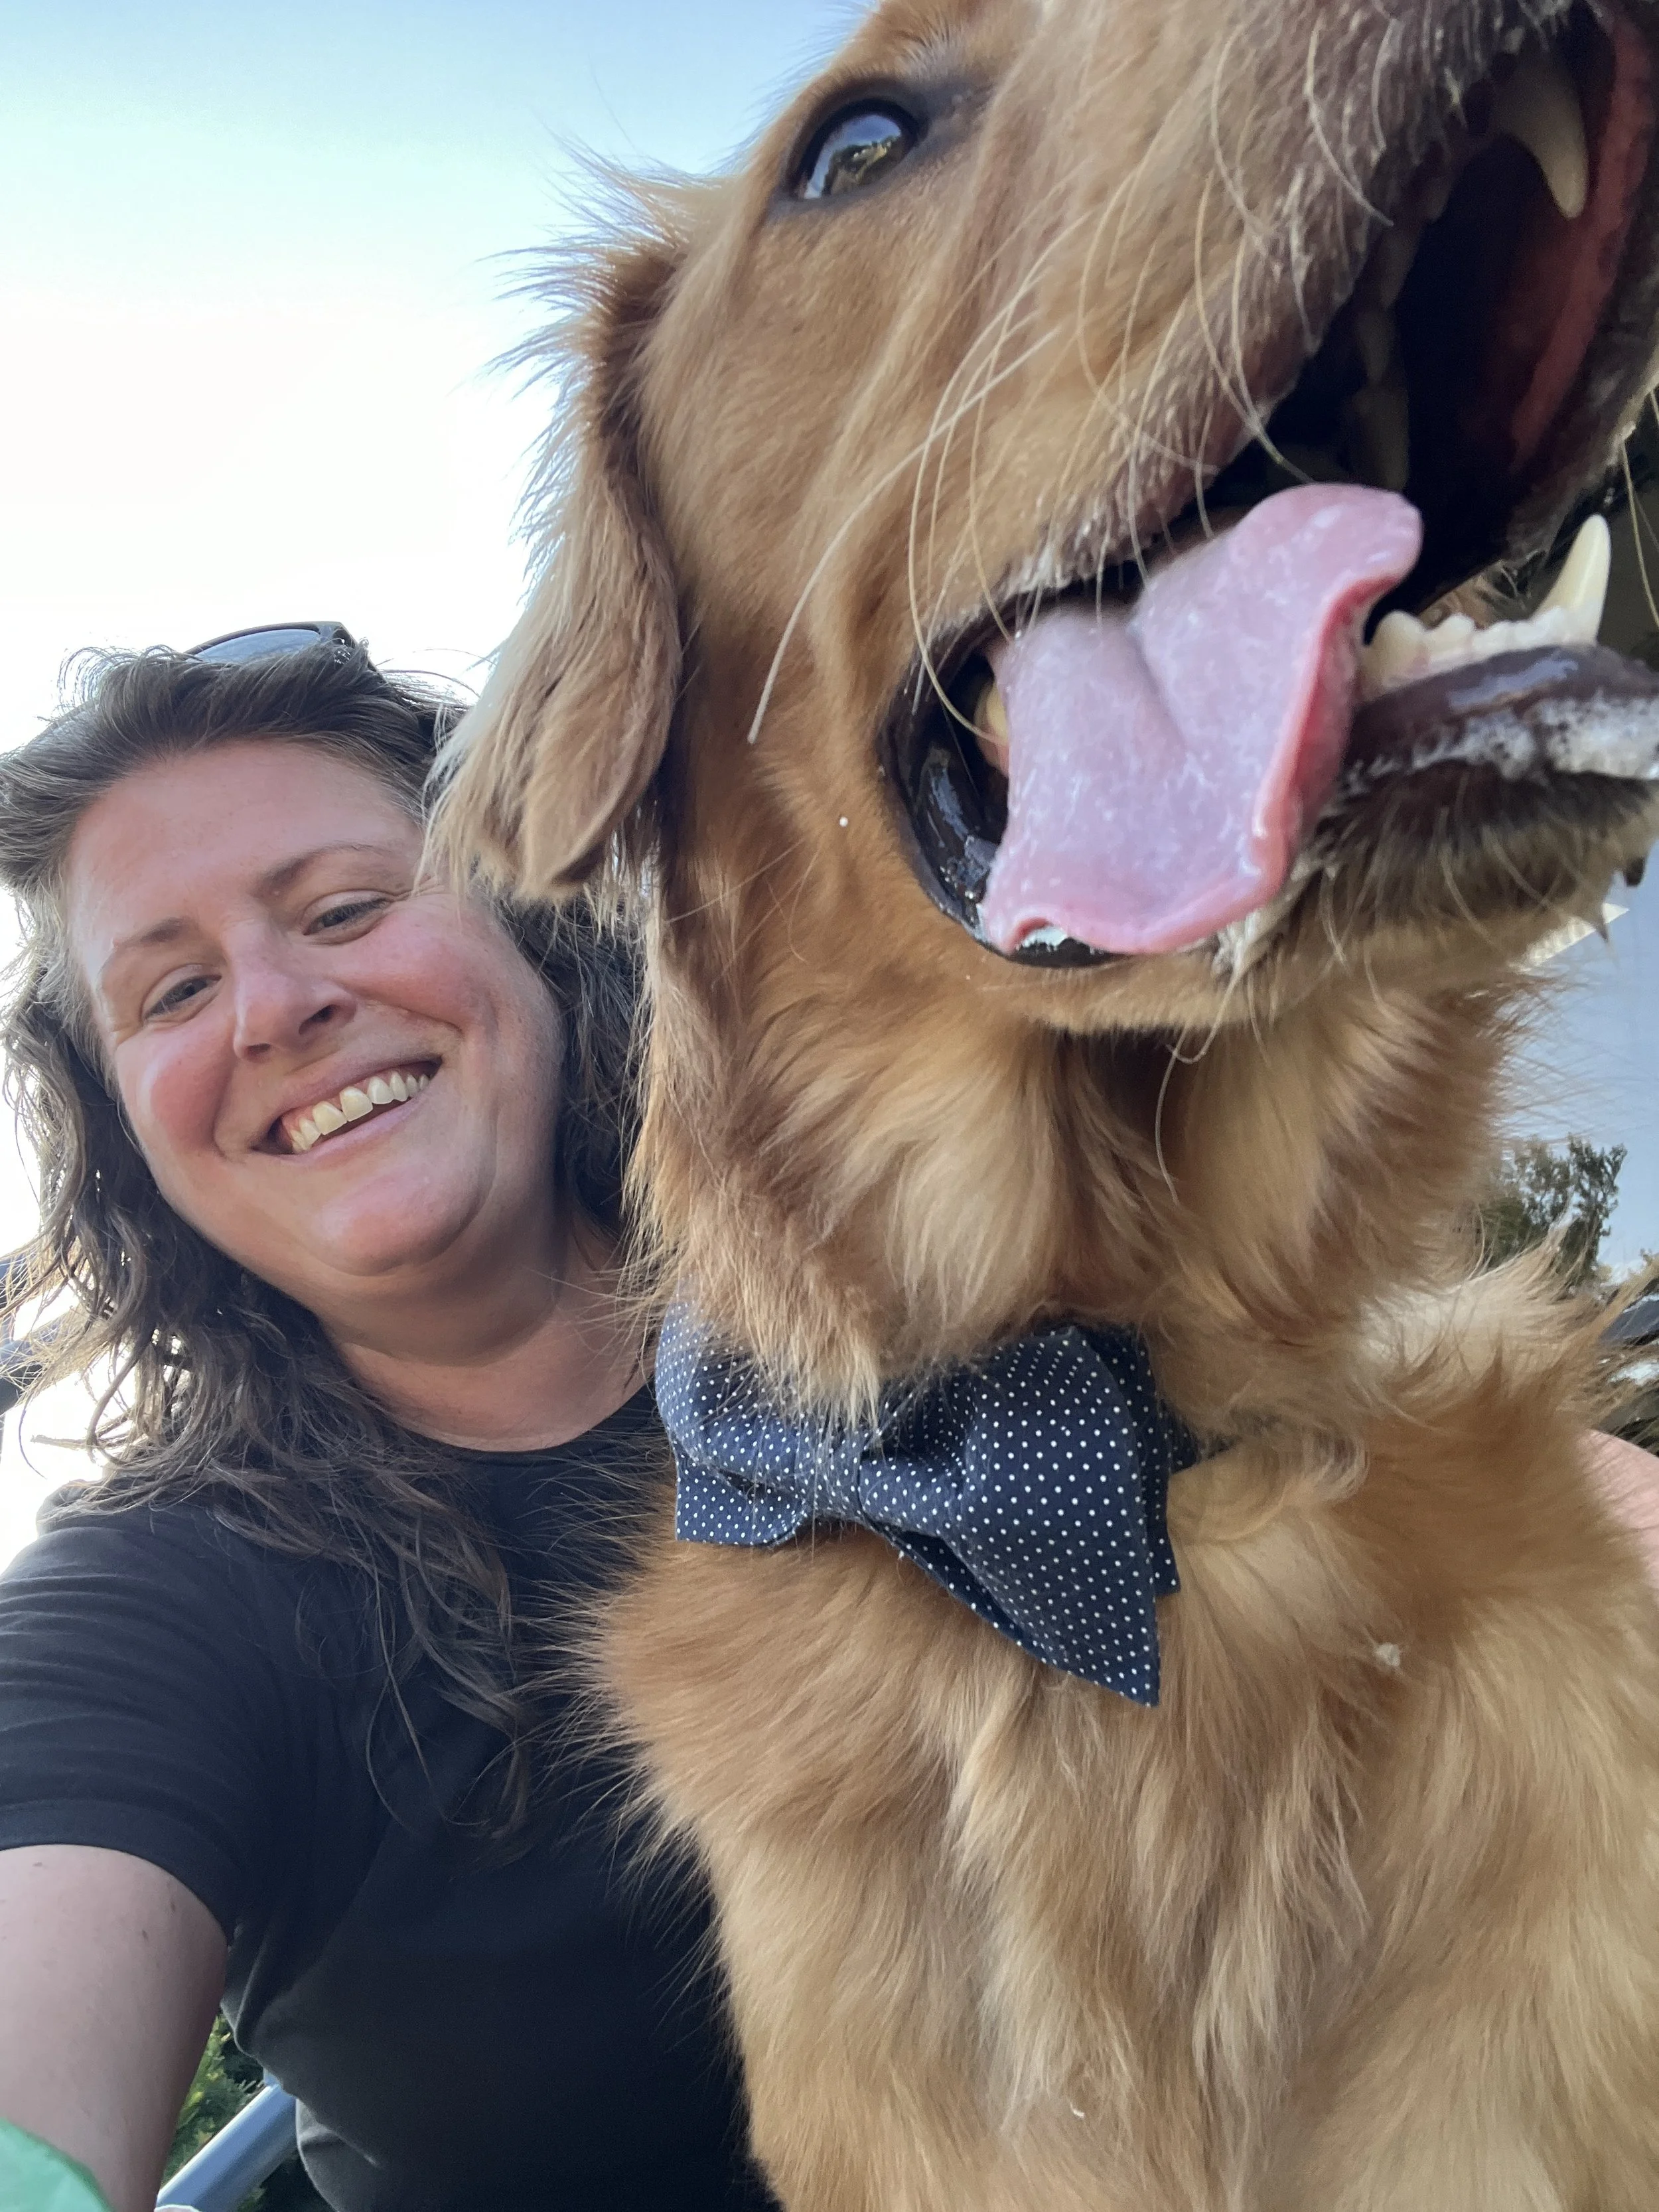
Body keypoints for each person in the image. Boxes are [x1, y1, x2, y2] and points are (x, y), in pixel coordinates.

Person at [0, 628, 776, 2212]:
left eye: (346, 908)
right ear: (129, 1133)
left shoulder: (935, 1299)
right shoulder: (159, 1609)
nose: (274, 1008)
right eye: (172, 990)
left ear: (530, 922)